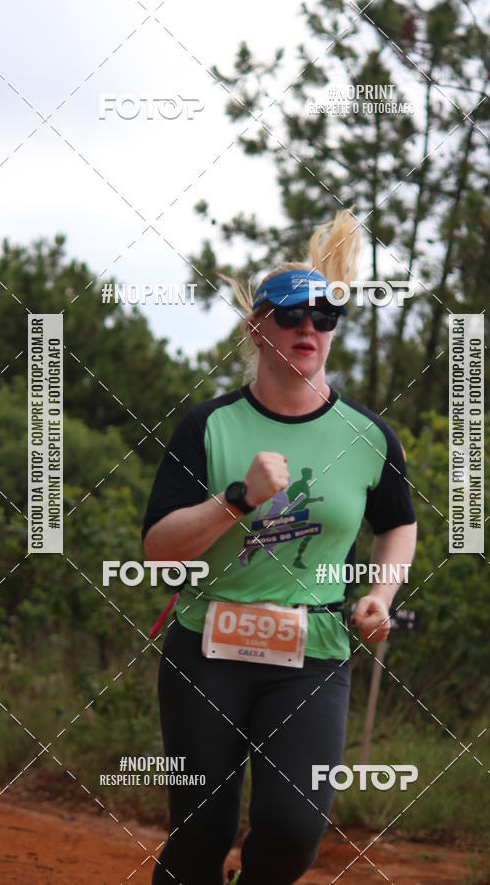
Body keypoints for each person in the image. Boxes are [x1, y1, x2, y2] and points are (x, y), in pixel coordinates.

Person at [142, 208, 418, 885]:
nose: (309, 329)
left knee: (295, 830)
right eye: (293, 316)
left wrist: (380, 596)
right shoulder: (207, 426)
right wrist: (236, 500)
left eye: (325, 318)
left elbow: (398, 524)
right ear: (257, 327)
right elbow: (157, 550)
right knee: (201, 829)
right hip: (206, 650)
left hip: (313, 656)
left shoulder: (369, 437)